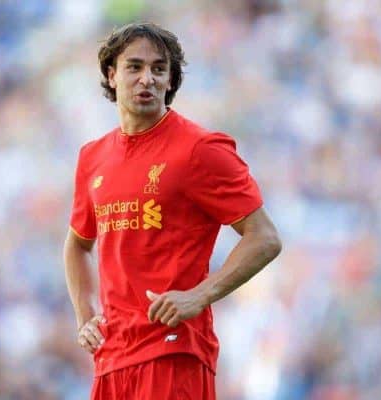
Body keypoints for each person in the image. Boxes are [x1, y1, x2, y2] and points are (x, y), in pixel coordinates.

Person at [63, 22, 282, 400]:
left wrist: (199, 295)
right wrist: (86, 315)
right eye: (134, 67)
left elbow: (264, 237)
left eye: (158, 69)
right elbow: (78, 245)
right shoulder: (92, 158)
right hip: (112, 358)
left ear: (170, 81)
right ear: (111, 76)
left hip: (173, 351)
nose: (147, 78)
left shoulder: (200, 149)